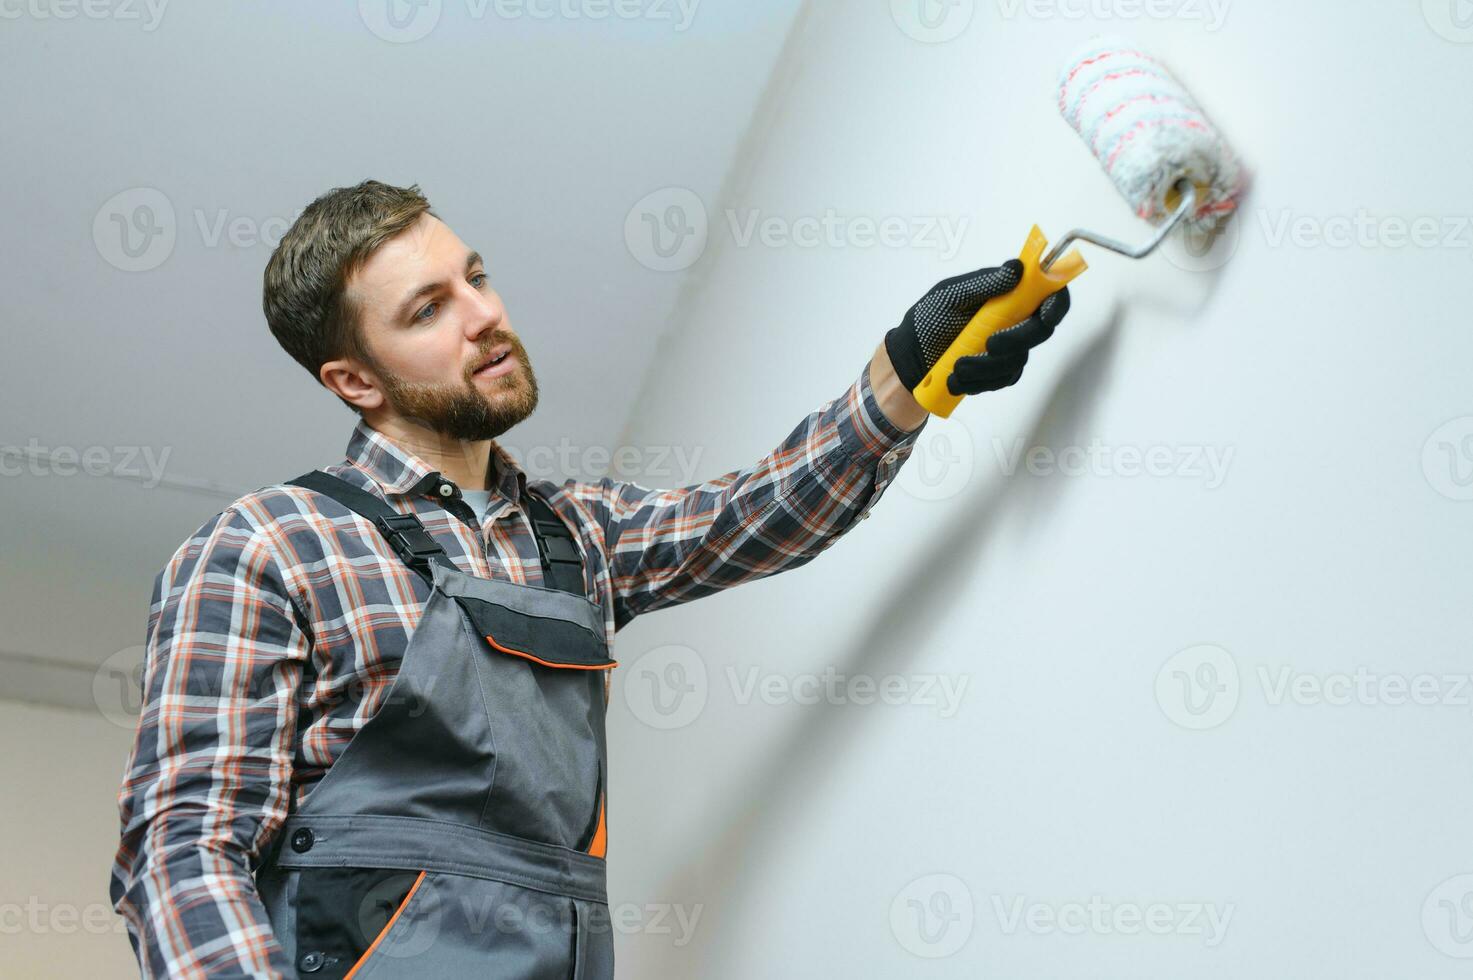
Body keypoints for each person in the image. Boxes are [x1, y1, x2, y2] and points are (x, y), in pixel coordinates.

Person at [108, 179, 1069, 978]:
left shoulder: (579, 534)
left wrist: (910, 368)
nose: (485, 316)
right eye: (428, 309)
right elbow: (182, 850)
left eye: (474, 277)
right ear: (355, 381)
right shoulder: (269, 545)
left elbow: (750, 518)